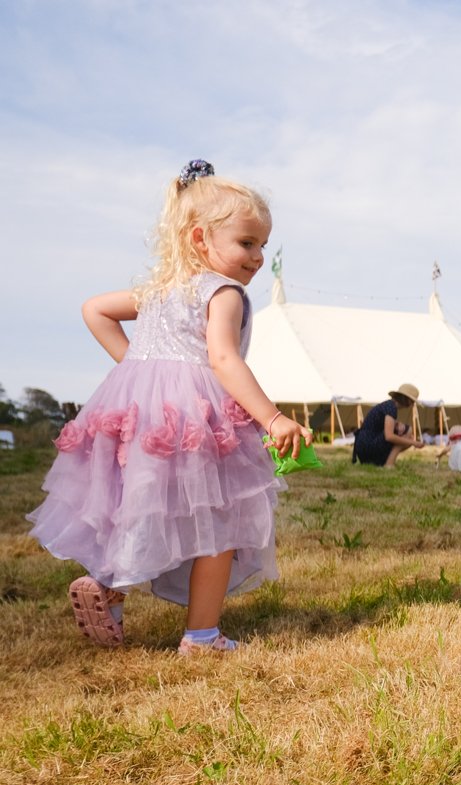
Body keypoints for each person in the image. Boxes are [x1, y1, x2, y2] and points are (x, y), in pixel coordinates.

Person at [26, 159, 310, 655]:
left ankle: (107, 586)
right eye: (247, 243)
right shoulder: (224, 292)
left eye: (263, 244)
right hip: (196, 418)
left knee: (139, 507)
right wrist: (273, 416)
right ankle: (201, 635)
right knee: (218, 522)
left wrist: (138, 366)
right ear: (201, 239)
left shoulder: (158, 292)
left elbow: (94, 308)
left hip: (139, 413)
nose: (259, 257)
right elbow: (222, 359)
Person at [351, 383, 425, 467]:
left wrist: (397, 424)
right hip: (368, 447)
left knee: (408, 435)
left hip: (363, 449)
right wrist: (414, 443)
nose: (412, 405)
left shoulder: (388, 405)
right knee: (408, 430)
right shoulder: (391, 408)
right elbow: (389, 436)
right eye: (412, 401)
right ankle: (389, 464)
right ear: (405, 399)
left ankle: (384, 461)